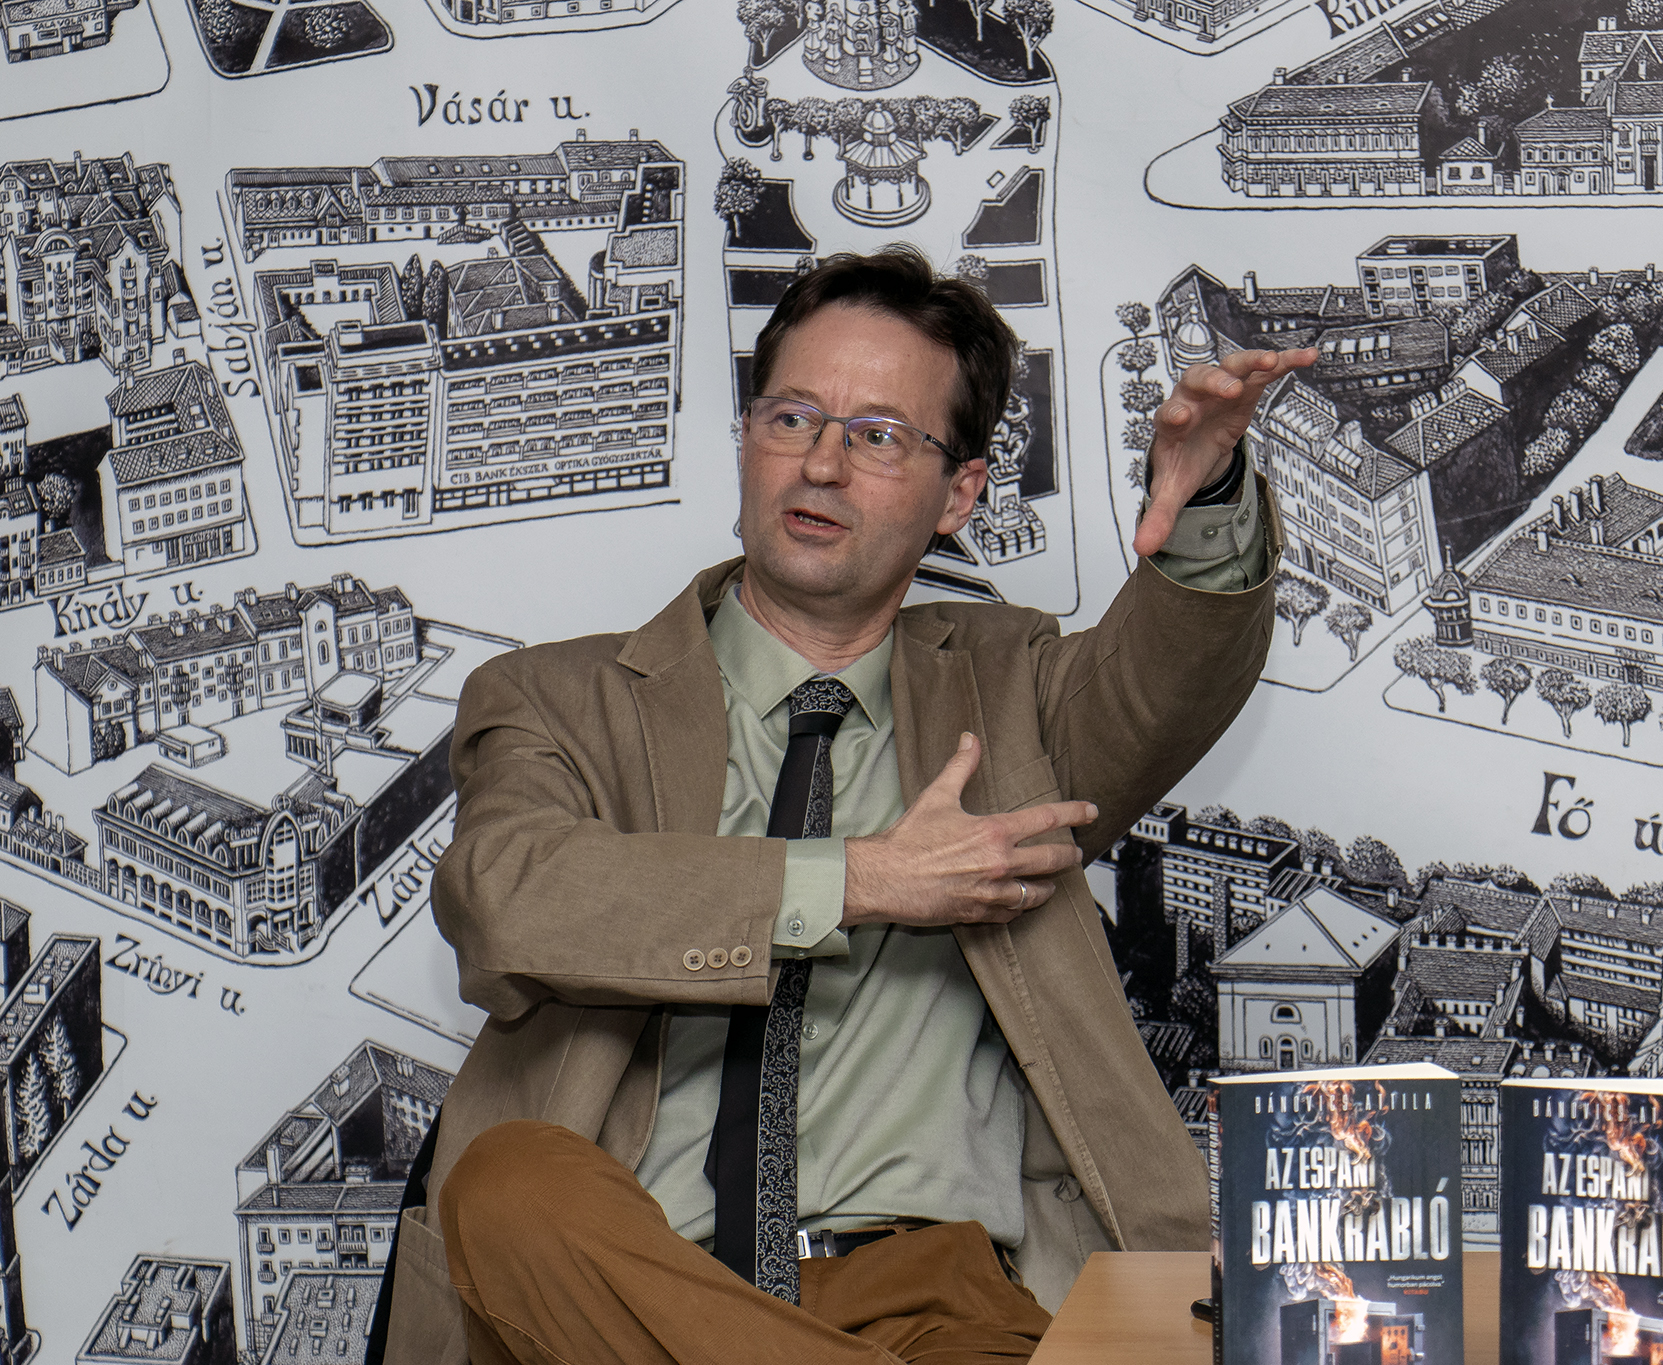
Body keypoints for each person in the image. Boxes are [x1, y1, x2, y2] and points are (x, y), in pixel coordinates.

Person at [386, 246, 1315, 1365]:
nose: (821, 464)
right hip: (630, 1301)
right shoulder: (554, 699)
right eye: (792, 418)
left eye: (878, 436)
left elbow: (1167, 682)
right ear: (745, 439)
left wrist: (1208, 494)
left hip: (940, 1311)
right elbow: (508, 902)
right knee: (508, 1185)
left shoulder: (1015, 698)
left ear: (958, 494)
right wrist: (860, 880)